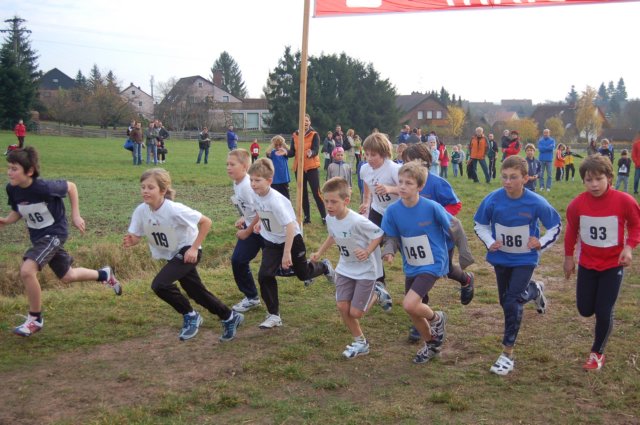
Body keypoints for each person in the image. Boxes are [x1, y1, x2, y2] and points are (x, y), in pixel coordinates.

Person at [3, 147, 121, 337]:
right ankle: (104, 274)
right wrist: (6, 221)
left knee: (27, 270)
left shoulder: (44, 187)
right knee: (67, 276)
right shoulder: (12, 189)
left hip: (55, 233)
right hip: (39, 238)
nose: (9, 172)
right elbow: (19, 210)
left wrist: (76, 215)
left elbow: (71, 187)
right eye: (8, 167)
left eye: (14, 168)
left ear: (30, 171)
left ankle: (35, 319)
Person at [124, 168, 243, 342]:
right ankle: (230, 317)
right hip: (173, 255)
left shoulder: (174, 209)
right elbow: (137, 235)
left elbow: (206, 222)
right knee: (196, 292)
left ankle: (190, 315)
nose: (145, 191)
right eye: (143, 187)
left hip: (188, 251)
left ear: (162, 190)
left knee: (160, 285)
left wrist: (194, 248)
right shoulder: (141, 210)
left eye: (150, 187)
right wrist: (132, 240)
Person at [474, 155, 562, 375]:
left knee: (512, 301)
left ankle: (507, 354)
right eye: (504, 176)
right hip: (501, 258)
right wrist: (490, 242)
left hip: (525, 259)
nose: (507, 181)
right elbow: (479, 224)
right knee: (505, 301)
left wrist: (540, 243)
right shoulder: (492, 199)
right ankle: (535, 290)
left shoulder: (536, 202)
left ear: (525, 178)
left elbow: (555, 226)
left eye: (513, 177)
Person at [563, 154, 640, 370]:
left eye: (599, 179)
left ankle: (597, 353)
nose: (594, 184)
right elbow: (571, 231)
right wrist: (568, 257)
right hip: (587, 264)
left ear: (609, 178)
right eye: (589, 180)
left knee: (604, 310)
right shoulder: (577, 205)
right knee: (585, 309)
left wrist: (628, 247)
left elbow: (636, 225)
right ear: (583, 181)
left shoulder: (624, 201)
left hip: (613, 265)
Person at [310, 177, 392, 358]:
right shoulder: (330, 218)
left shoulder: (357, 221)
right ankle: (360, 342)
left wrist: (368, 251)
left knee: (355, 313)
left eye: (334, 202)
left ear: (346, 201)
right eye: (326, 201)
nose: (329, 206)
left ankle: (377, 293)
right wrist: (320, 252)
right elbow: (333, 236)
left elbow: (378, 234)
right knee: (342, 306)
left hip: (365, 270)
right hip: (345, 267)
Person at [401, 143, 475, 342]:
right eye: (403, 162)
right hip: (416, 241)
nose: (405, 166)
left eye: (409, 162)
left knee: (447, 269)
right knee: (419, 275)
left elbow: (455, 204)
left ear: (424, 163)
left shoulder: (437, 183)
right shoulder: (405, 183)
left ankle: (466, 280)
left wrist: (438, 217)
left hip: (440, 240)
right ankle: (420, 319)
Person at [248, 158, 335, 329]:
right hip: (271, 241)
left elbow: (289, 227)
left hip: (292, 240)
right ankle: (274, 315)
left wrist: (287, 253)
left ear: (269, 181)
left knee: (303, 274)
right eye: (251, 180)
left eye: (257, 180)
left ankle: (324, 267)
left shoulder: (276, 201)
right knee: (265, 275)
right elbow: (262, 211)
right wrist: (259, 223)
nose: (253, 184)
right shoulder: (255, 194)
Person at [381, 162, 450, 364]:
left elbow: (453, 227)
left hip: (432, 262)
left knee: (409, 303)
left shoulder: (432, 207)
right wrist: (389, 251)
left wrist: (460, 255)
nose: (402, 186)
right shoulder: (392, 211)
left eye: (409, 183)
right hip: (412, 264)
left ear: (420, 186)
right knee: (412, 310)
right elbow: (391, 236)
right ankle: (431, 345)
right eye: (400, 182)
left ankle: (437, 318)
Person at [225, 149, 264, 314]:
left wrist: (247, 231)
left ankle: (316, 268)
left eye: (232, 164)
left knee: (282, 268)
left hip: (265, 229)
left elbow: (262, 210)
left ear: (245, 167)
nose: (228, 167)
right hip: (252, 226)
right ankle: (252, 297)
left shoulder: (248, 186)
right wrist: (244, 218)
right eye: (227, 164)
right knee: (238, 260)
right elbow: (249, 208)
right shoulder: (237, 183)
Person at [359, 132, 401, 286]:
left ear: (383, 153)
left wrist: (390, 189)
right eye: (367, 154)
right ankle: (379, 281)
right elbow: (367, 187)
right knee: (371, 244)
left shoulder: (394, 169)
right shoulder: (364, 169)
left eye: (373, 155)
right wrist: (366, 202)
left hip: (397, 213)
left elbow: (408, 190)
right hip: (377, 211)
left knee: (403, 246)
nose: (369, 158)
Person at [288, 114, 326, 224]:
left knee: (316, 192)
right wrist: (285, 152)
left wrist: (311, 153)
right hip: (299, 168)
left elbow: (316, 150)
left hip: (311, 167)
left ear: (310, 122)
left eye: (307, 120)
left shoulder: (314, 134)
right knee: (302, 193)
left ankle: (324, 217)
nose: (305, 122)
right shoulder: (295, 135)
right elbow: (292, 152)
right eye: (303, 120)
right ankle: (307, 217)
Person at [266, 135, 291, 199]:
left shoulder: (284, 152)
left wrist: (283, 143)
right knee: (274, 197)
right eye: (276, 145)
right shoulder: (272, 153)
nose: (278, 146)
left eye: (280, 145)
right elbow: (267, 152)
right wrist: (273, 144)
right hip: (275, 180)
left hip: (283, 179)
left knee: (286, 197)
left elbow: (290, 151)